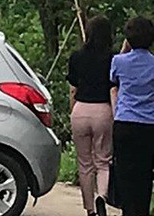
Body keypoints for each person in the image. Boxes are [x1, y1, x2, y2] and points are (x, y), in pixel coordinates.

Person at [67, 16, 115, 216]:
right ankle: (101, 197)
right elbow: (114, 87)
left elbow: (72, 89)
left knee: (84, 163)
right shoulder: (113, 58)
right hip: (103, 110)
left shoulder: (76, 56)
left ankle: (89, 210)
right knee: (103, 161)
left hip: (81, 110)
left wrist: (72, 111)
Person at [110, 16, 154, 216]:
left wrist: (124, 49)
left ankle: (128, 211)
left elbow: (113, 79)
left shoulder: (119, 61)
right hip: (149, 125)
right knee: (145, 176)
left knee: (125, 175)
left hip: (124, 122)